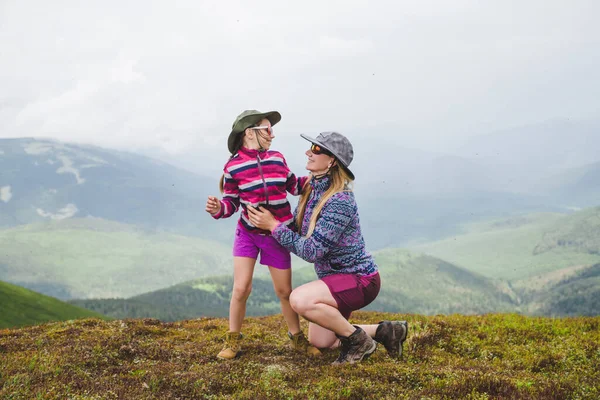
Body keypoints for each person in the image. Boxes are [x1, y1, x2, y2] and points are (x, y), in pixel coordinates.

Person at [247, 131, 408, 364]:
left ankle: (360, 342)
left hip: (360, 280)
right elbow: (296, 227)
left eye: (316, 149)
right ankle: (386, 331)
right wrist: (264, 223)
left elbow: (313, 251)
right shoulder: (312, 190)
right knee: (323, 342)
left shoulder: (340, 201)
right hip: (336, 281)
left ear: (332, 161)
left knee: (299, 299)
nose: (308, 152)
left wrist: (273, 227)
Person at [205, 109, 320, 360]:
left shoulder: (277, 159)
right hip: (247, 233)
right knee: (241, 288)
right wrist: (218, 209)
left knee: (283, 292)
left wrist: (319, 176)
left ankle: (296, 339)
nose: (272, 134)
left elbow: (294, 186)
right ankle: (232, 341)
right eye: (267, 130)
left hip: (277, 234)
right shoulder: (233, 167)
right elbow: (231, 203)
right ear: (249, 133)